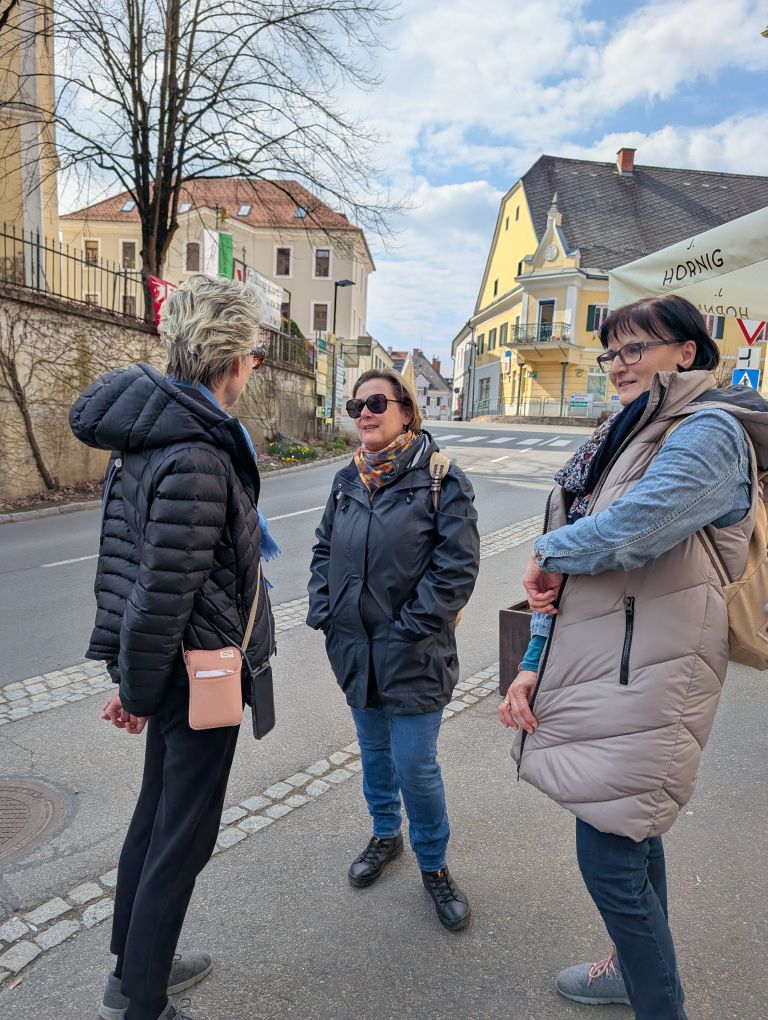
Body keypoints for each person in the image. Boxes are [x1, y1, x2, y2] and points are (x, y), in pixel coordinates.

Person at [499, 294, 767, 1020]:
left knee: (611, 854)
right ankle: (631, 971)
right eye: (612, 351)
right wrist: (533, 660)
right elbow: (575, 571)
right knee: (630, 831)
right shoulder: (625, 431)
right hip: (605, 662)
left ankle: (658, 1003)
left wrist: (548, 550)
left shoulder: (708, 430)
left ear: (687, 352)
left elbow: (635, 531)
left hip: (649, 670)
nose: (619, 364)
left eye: (635, 348)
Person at [70, 274, 275, 1020]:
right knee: (181, 837)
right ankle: (144, 1001)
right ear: (229, 356)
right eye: (253, 349)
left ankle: (134, 966)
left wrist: (136, 682)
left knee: (156, 817)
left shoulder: (154, 433)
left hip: (180, 669)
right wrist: (138, 690)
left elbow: (136, 573)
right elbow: (160, 593)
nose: (257, 364)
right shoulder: (194, 449)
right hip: (202, 673)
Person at [307, 368, 480, 929]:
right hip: (355, 651)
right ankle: (386, 836)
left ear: (407, 410)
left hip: (414, 653)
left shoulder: (441, 479)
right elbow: (323, 550)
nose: (365, 412)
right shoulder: (346, 481)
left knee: (415, 765)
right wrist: (325, 612)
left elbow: (456, 570)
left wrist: (408, 628)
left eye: (377, 402)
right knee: (375, 757)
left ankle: (433, 864)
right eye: (357, 404)